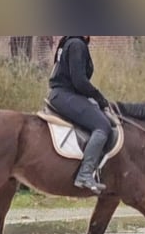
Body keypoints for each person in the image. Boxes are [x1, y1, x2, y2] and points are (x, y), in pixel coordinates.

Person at [47, 36, 113, 195]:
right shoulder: (77, 44)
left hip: (63, 94)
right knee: (102, 126)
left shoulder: (68, 41)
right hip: (65, 95)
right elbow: (79, 81)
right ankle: (84, 174)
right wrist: (100, 98)